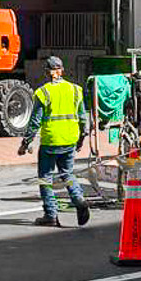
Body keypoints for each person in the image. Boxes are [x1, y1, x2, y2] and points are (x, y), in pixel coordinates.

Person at [25, 55, 90, 227]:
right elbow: (83, 118)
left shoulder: (43, 92)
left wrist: (26, 142)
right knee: (67, 174)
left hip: (50, 142)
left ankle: (51, 215)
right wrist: (82, 138)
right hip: (70, 139)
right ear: (61, 71)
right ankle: (79, 199)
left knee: (45, 178)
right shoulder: (76, 90)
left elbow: (35, 121)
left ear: (47, 72)